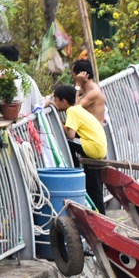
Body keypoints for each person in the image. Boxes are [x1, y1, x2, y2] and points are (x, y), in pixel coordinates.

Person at [52, 83, 107, 211]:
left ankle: (73, 168)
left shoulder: (71, 111)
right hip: (99, 147)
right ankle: (100, 214)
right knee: (94, 188)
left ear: (64, 101)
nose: (55, 103)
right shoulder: (78, 109)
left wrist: (60, 125)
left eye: (56, 100)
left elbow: (71, 135)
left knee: (64, 142)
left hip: (93, 147)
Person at [71, 59, 107, 125]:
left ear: (80, 75)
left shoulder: (94, 92)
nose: (73, 79)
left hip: (94, 133)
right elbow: (72, 92)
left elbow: (75, 110)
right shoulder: (86, 89)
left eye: (73, 75)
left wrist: (78, 84)